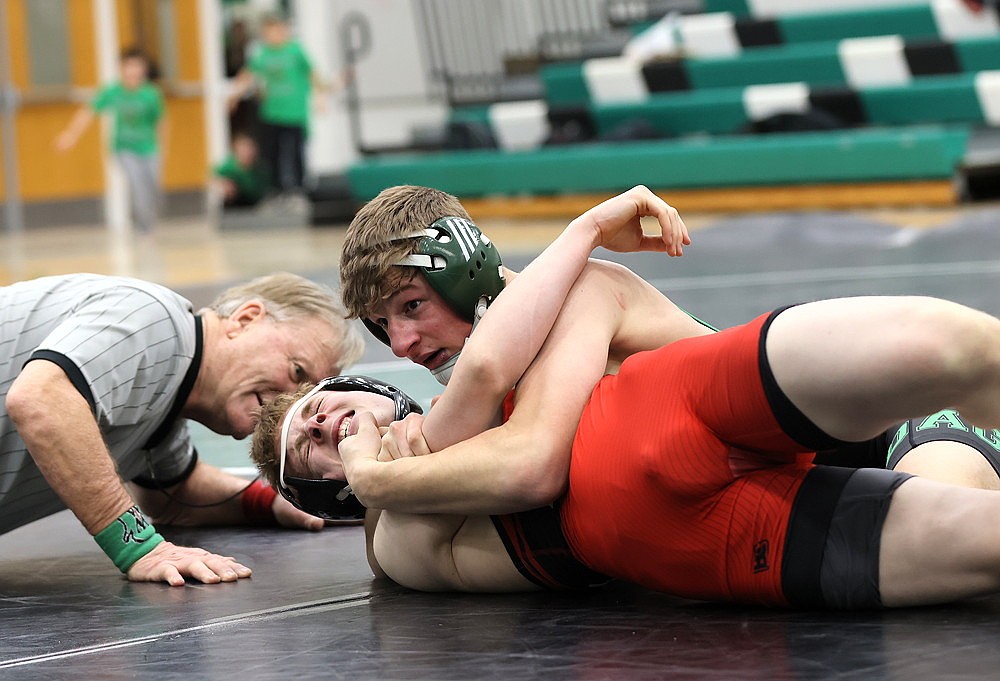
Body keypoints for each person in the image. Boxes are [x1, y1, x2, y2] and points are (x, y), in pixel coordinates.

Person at [254, 187, 1000, 609]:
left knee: (959, 358)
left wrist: (377, 475)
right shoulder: (423, 481)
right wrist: (373, 479)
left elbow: (526, 445)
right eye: (387, 329)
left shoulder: (580, 292)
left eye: (412, 306)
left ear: (463, 266)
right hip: (726, 527)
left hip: (793, 419)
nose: (406, 343)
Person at [1, 271, 365, 587]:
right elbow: (41, 399)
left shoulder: (164, 404)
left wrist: (281, 503)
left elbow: (175, 496)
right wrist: (140, 548)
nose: (288, 405)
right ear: (246, 318)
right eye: (297, 372)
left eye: (302, 397)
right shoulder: (151, 316)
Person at [228, 13, 350, 209]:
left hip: (294, 113)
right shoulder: (263, 54)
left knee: (295, 152)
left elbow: (313, 75)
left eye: (274, 31)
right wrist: (233, 95)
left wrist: (321, 97)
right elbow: (248, 75)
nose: (271, 36)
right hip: (272, 114)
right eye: (267, 32)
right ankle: (276, 191)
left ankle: (298, 190)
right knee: (272, 153)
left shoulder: (295, 52)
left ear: (283, 31)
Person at [55, 47, 165, 235]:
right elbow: (88, 111)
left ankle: (149, 220)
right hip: (125, 148)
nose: (132, 71)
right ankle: (143, 227)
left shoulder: (151, 94)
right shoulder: (113, 92)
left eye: (136, 66)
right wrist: (70, 134)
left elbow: (161, 122)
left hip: (149, 148)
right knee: (137, 184)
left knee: (153, 186)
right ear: (121, 69)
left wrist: (162, 149)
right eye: (128, 66)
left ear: (143, 69)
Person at [212, 132, 270, 209]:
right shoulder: (229, 167)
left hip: (256, 200)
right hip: (237, 201)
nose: (248, 153)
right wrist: (224, 185)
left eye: (250, 149)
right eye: (244, 149)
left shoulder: (261, 167)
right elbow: (214, 177)